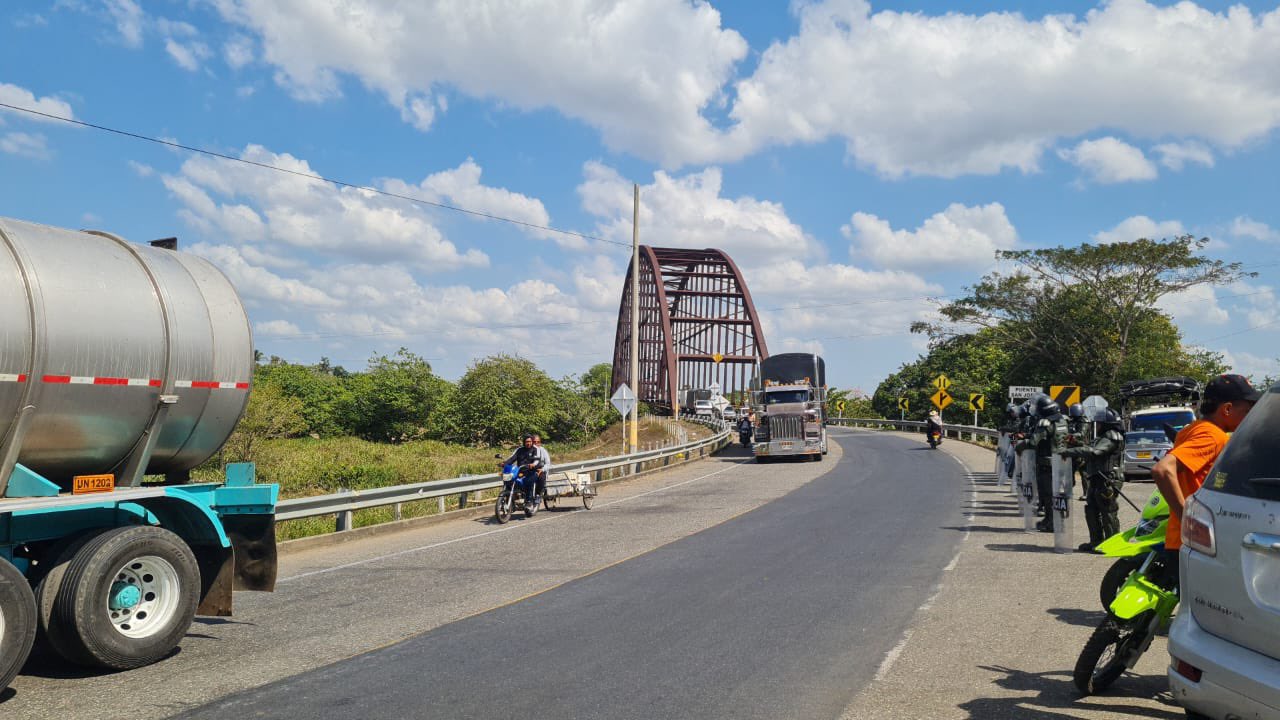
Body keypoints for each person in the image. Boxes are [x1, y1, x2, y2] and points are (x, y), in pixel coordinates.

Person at [1151, 374, 1260, 587]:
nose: (1249, 417)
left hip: (1181, 542)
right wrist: (1188, 519)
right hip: (1196, 544)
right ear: (1227, 409)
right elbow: (1163, 470)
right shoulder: (1212, 436)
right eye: (1246, 411)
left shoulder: (1192, 429)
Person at [1061, 408, 1125, 552]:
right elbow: (1088, 447)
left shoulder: (1112, 436)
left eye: (1100, 423)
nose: (1098, 425)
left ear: (1107, 424)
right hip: (1097, 477)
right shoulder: (1103, 437)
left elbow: (1094, 452)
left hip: (1108, 479)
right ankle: (1096, 541)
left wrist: (1068, 452)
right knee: (1091, 509)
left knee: (1108, 511)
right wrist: (1074, 444)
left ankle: (1112, 544)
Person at [1018, 395, 1068, 532]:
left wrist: (1020, 445)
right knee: (1057, 494)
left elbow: (1034, 442)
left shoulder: (1045, 423)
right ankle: (1050, 519)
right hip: (1062, 463)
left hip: (1047, 463)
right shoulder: (1062, 421)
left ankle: (1054, 522)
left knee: (1048, 494)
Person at [501, 435, 543, 506]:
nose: (528, 443)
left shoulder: (535, 449)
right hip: (520, 471)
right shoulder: (519, 450)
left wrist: (533, 464)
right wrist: (505, 463)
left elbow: (537, 460)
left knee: (528, 481)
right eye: (527, 442)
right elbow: (512, 458)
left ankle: (529, 501)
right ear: (524, 442)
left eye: (530, 441)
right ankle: (509, 500)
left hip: (532, 471)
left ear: (532, 442)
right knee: (509, 480)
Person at [532, 434, 551, 507]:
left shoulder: (543, 451)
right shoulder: (529, 450)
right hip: (530, 470)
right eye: (534, 442)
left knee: (541, 478)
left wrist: (542, 469)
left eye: (538, 442)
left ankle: (538, 495)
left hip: (541, 470)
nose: (536, 443)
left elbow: (548, 463)